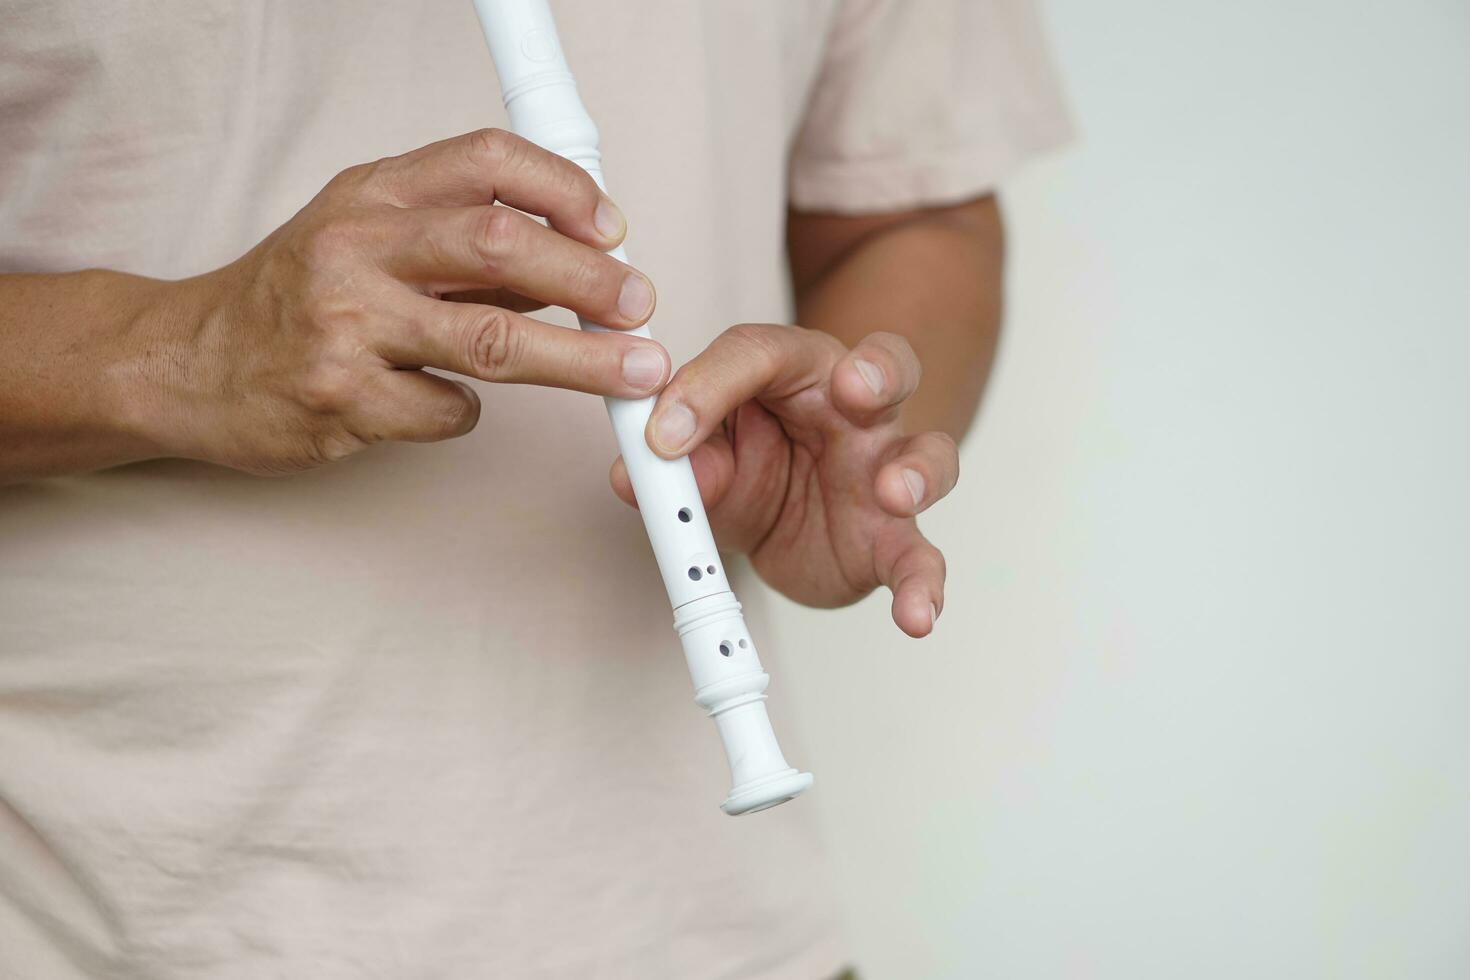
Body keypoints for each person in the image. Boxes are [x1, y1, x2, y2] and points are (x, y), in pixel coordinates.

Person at [0, 1, 1069, 976]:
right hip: (113, 931)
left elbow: (910, 210)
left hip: (717, 930)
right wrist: (186, 348)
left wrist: (849, 401)